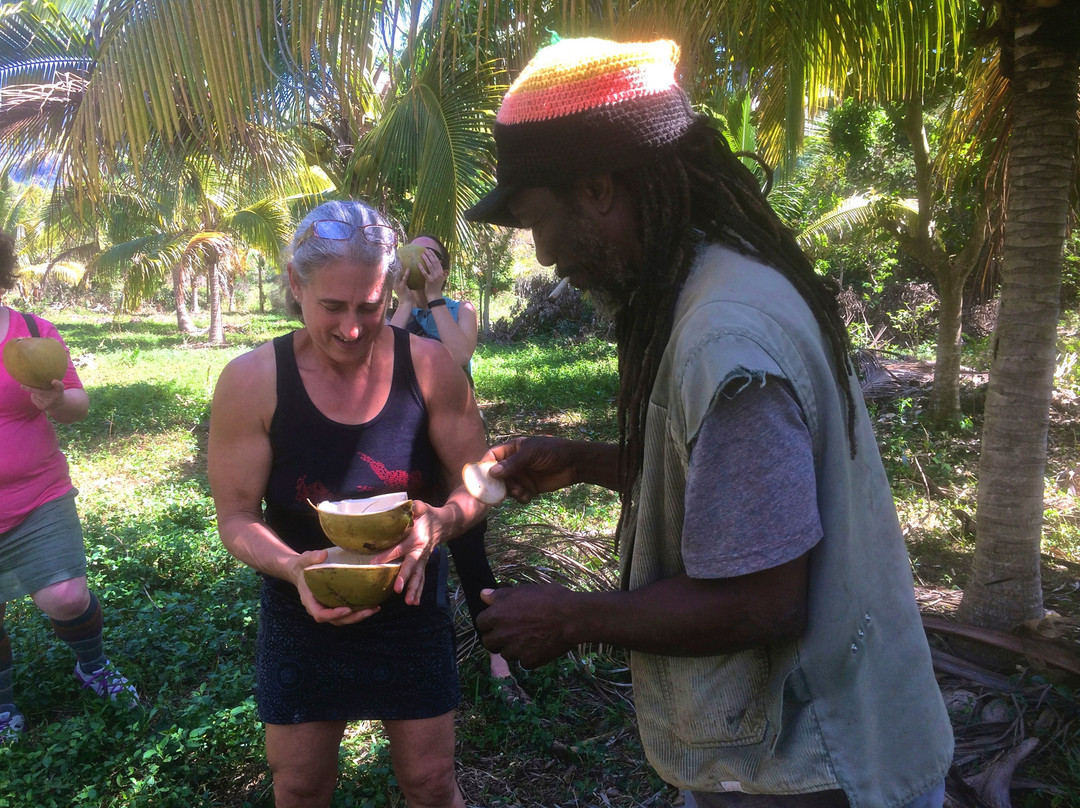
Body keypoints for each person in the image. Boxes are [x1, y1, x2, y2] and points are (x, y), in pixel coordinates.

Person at [465, 37, 954, 807]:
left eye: (536, 220)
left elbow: (761, 599)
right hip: (802, 754)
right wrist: (588, 460)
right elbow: (750, 498)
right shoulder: (721, 279)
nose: (546, 254)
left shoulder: (722, 339)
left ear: (597, 188)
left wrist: (570, 617)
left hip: (813, 767)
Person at [207, 200, 489, 808]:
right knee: (301, 785)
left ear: (390, 291)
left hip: (410, 602)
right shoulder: (252, 381)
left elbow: (479, 482)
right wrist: (293, 568)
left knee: (430, 782)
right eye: (331, 306)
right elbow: (235, 515)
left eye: (370, 306)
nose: (352, 328)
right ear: (294, 285)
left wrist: (442, 521)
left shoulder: (431, 367)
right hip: (301, 603)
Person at [0, 232, 139, 745]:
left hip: (38, 497)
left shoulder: (33, 332)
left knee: (65, 596)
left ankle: (93, 666)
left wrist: (52, 401)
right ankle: (1, 705)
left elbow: (78, 406)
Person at [389, 234, 525, 701]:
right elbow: (382, 357)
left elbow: (458, 355)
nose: (420, 264)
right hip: (407, 440)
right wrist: (406, 301)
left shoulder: (460, 309)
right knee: (404, 541)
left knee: (469, 548)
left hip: (454, 439)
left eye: (430, 258)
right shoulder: (395, 313)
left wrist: (433, 298)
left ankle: (500, 662)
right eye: (413, 256)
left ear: (443, 267)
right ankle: (410, 654)